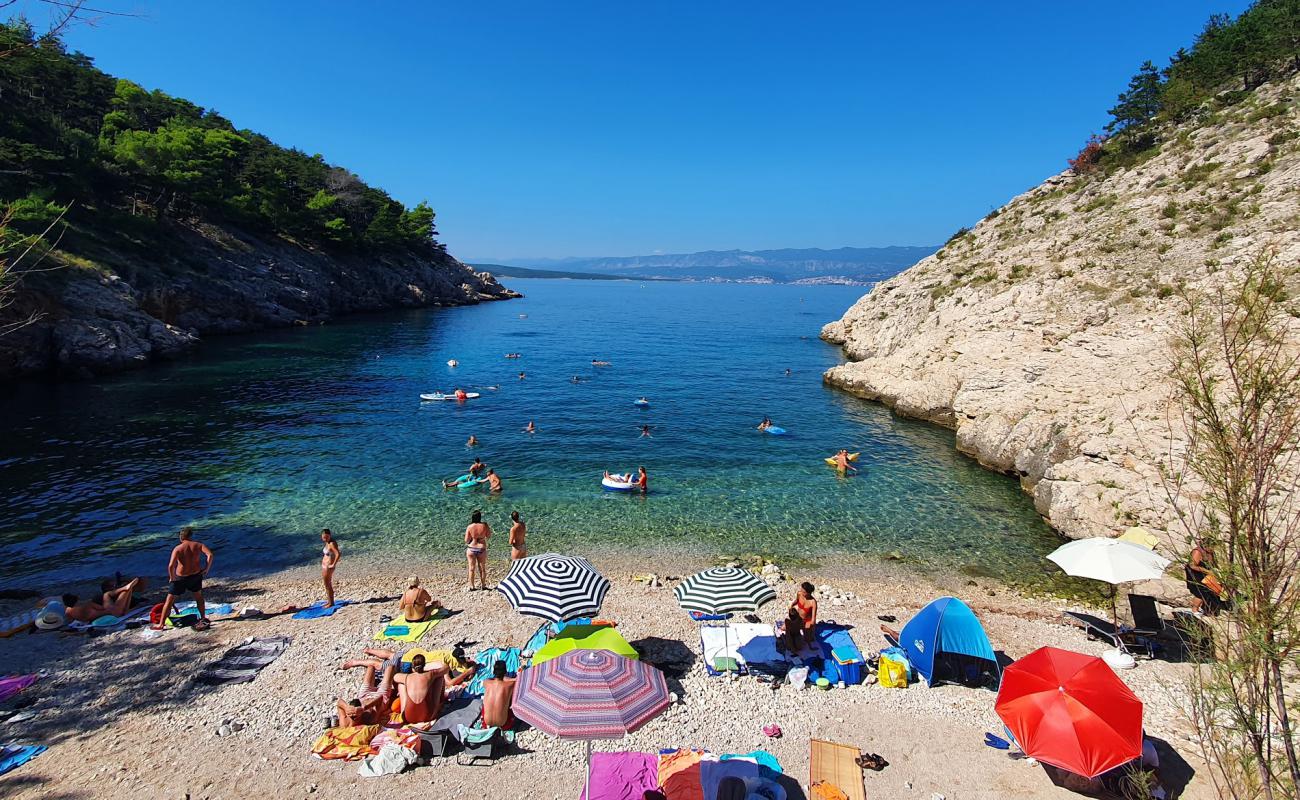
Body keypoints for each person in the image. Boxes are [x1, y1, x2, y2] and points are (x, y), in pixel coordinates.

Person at [152, 526, 214, 631]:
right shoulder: (198, 545)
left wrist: (172, 577)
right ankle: (203, 617)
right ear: (191, 536)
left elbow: (171, 566)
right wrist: (206, 569)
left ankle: (161, 624)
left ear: (181, 538)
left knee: (169, 600)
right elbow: (210, 555)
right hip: (195, 575)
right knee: (198, 597)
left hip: (181, 578)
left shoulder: (178, 548)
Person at [63, 577, 141, 623]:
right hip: (114, 613)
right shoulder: (88, 604)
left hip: (112, 614)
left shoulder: (68, 611)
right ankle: (125, 588)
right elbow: (103, 608)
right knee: (112, 594)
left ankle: (126, 588)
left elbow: (70, 621)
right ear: (76, 599)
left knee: (107, 595)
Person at [1186, 540, 1227, 615]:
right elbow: (1192, 565)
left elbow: (1214, 564)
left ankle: (1206, 609)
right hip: (1195, 575)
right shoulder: (1197, 552)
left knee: (1209, 591)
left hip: (1206, 575)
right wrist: (1206, 571)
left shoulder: (1211, 553)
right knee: (1200, 592)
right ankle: (1194, 610)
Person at [481, 660, 517, 728]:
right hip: (504, 724)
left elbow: (492, 679)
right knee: (510, 699)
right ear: (505, 672)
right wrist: (512, 679)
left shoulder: (486, 682)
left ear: (494, 671)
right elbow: (516, 680)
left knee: (486, 702)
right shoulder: (510, 685)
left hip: (486, 723)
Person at [465, 510, 492, 590]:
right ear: (480, 517)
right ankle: (483, 585)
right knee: (482, 568)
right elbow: (489, 536)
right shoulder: (485, 525)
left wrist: (473, 538)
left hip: (471, 548)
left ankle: (472, 586)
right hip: (481, 548)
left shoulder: (469, 526)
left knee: (471, 568)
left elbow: (466, 540)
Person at [319, 529, 341, 607]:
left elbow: (338, 554)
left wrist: (333, 564)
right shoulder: (327, 542)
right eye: (324, 537)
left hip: (328, 567)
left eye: (327, 537)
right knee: (327, 584)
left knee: (327, 584)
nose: (325, 539)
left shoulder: (332, 543)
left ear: (330, 535)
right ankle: (329, 601)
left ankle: (331, 603)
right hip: (325, 566)